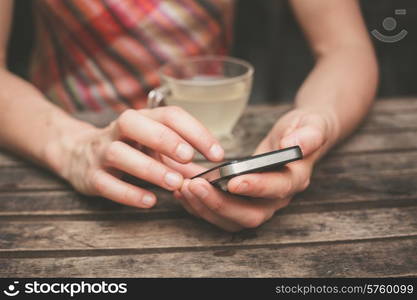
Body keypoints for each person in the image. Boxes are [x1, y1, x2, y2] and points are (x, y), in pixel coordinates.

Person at [0, 0, 378, 232]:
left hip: (211, 144)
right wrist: (73, 147)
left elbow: (345, 48)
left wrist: (318, 120)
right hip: (56, 125)